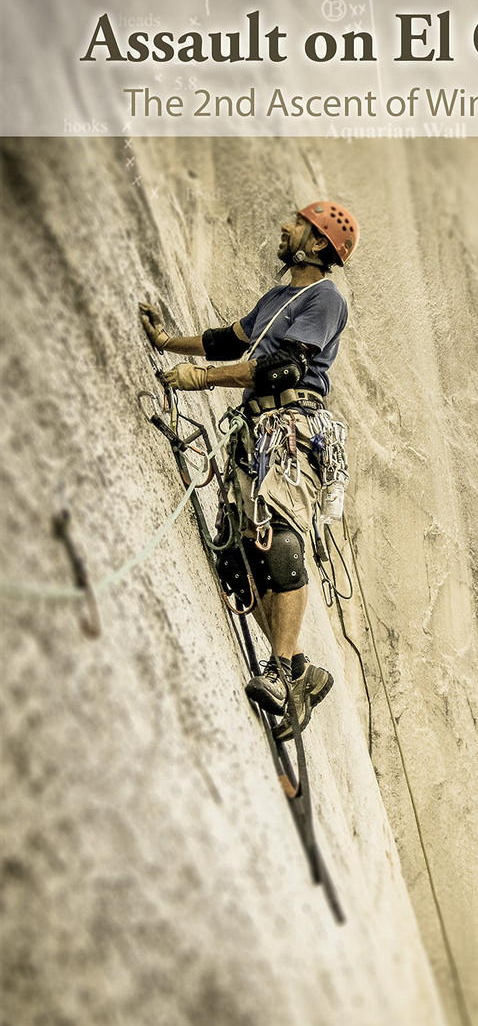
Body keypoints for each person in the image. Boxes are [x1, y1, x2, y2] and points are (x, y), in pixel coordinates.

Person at [139, 201, 358, 738]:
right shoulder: (277, 298)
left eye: (298, 224)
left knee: (280, 541)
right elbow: (231, 339)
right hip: (257, 432)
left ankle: (281, 673)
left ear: (316, 243)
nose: (285, 227)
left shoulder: (325, 298)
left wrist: (202, 378)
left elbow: (284, 364)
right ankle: (302, 672)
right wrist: (170, 342)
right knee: (240, 562)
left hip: (292, 431)